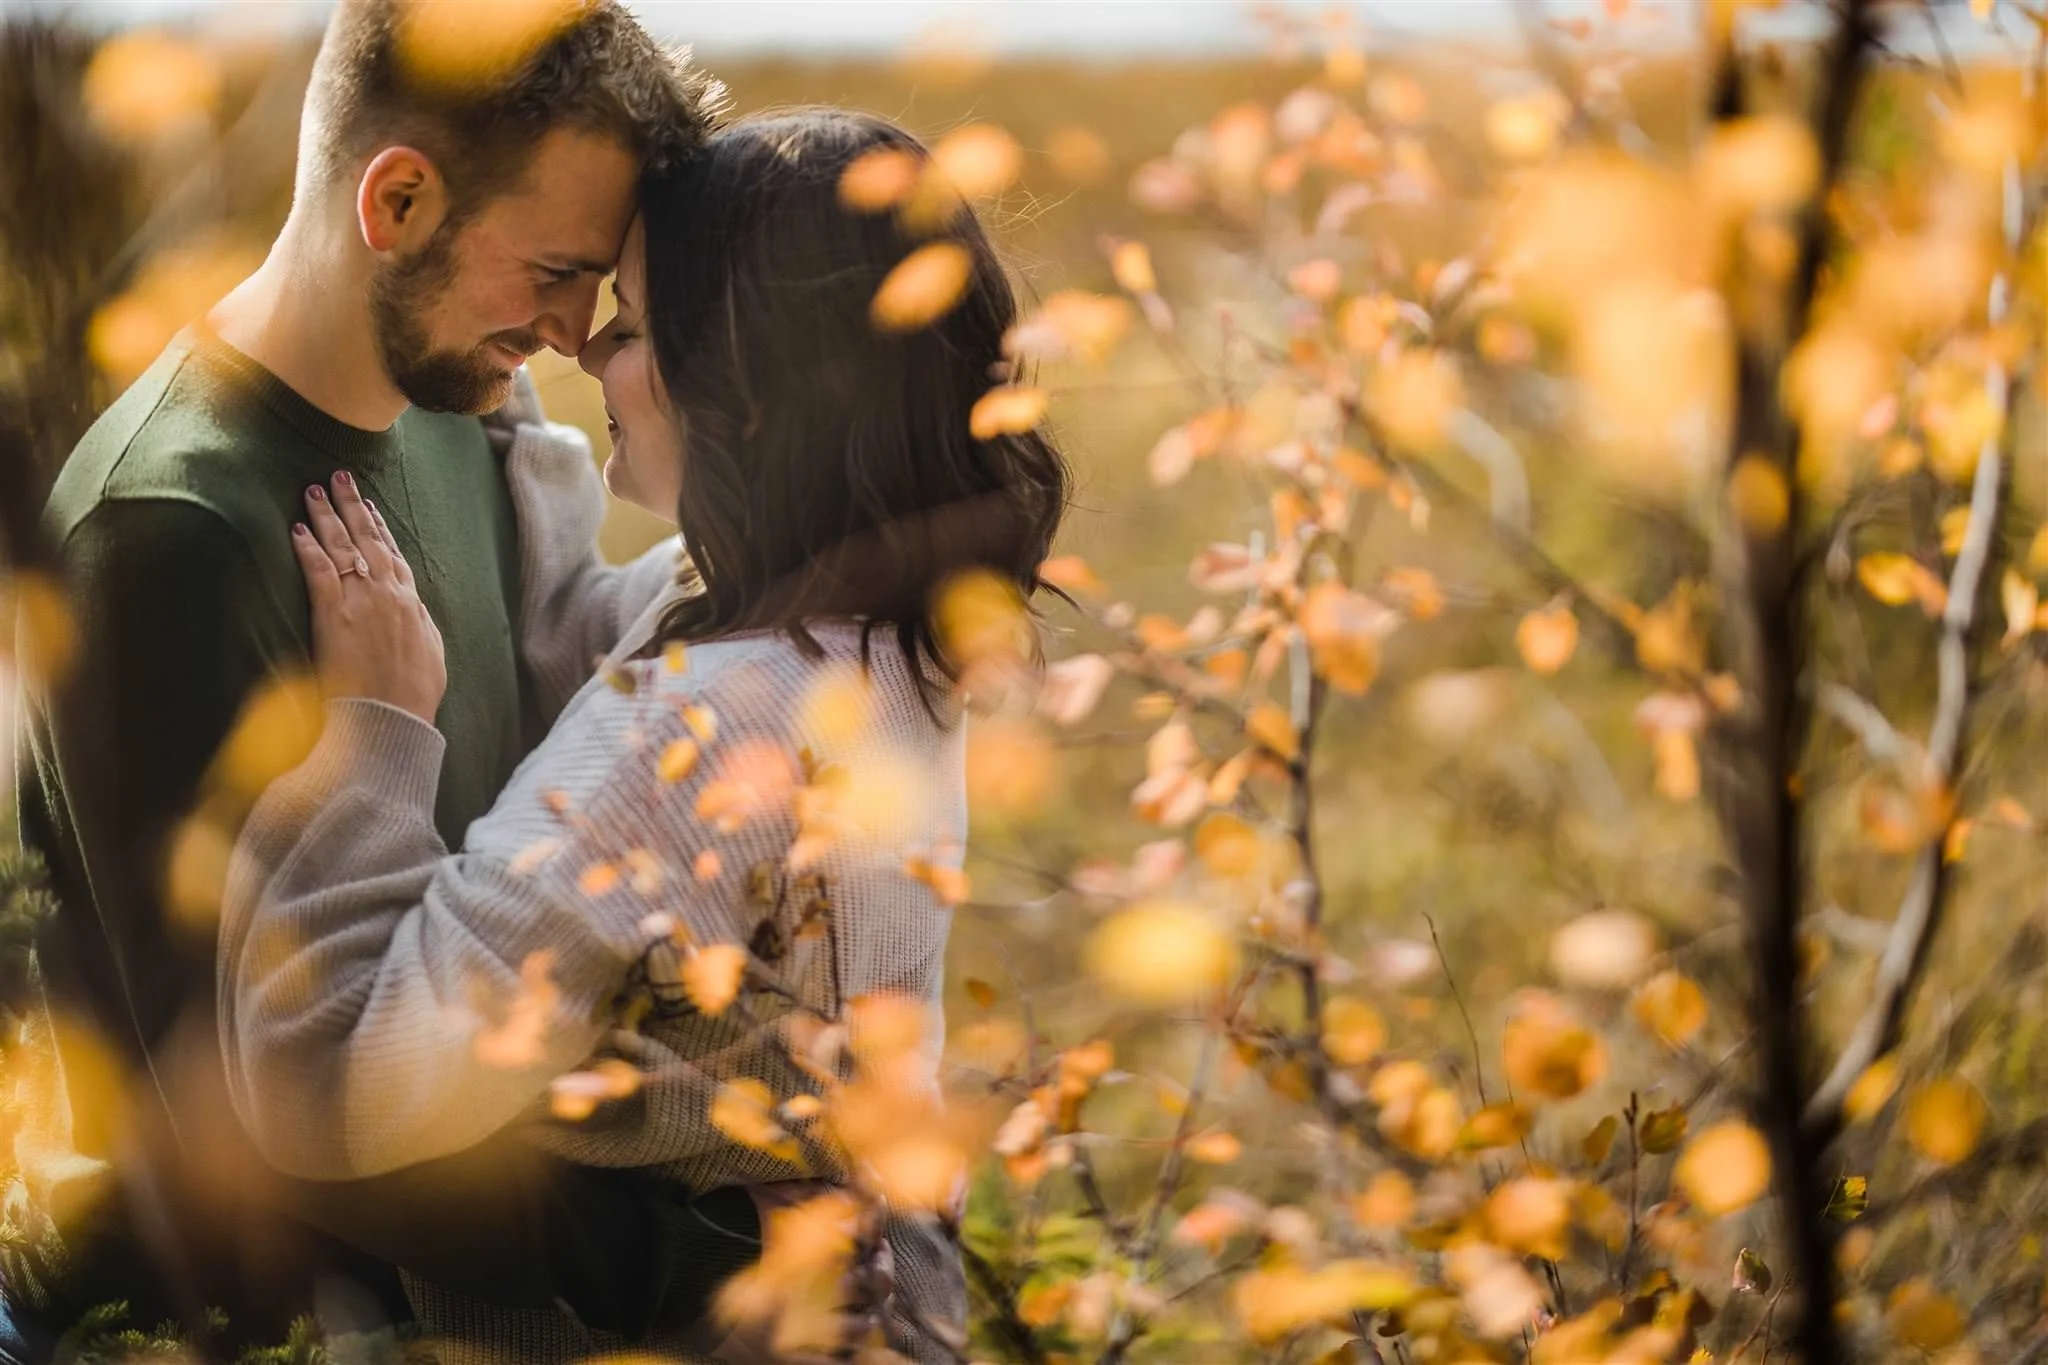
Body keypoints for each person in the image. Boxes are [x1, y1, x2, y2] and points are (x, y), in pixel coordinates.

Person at [215, 107, 1069, 1360]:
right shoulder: (865, 627)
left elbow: (332, 1082)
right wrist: (499, 406)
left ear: (753, 387)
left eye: (630, 326)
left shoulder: (704, 734)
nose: (583, 348)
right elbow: (597, 643)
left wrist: (374, 738)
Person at [8, 0, 798, 1354]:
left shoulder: (451, 406)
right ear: (401, 198)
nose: (571, 331)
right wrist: (696, 1262)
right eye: (555, 270)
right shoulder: (170, 534)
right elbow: (259, 1117)